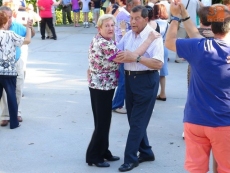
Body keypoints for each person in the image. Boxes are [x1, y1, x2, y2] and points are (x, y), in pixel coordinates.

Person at [86, 13, 161, 168]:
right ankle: (93, 155)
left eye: (112, 25)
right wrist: (148, 40)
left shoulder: (106, 40)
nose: (110, 28)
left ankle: (106, 151)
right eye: (106, 25)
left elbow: (129, 55)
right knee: (102, 122)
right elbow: (126, 57)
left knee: (107, 121)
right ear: (99, 27)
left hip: (105, 85)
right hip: (102, 86)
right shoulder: (105, 44)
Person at [165, 2, 230, 173]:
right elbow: (194, 33)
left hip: (195, 121)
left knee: (196, 170)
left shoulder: (200, 47)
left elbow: (171, 41)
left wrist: (176, 17)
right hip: (223, 123)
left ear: (210, 25)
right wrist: (184, 14)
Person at [113, 5, 164, 172]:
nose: (132, 22)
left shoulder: (154, 37)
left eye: (136, 19)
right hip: (129, 80)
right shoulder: (128, 35)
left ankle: (130, 158)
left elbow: (158, 63)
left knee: (137, 122)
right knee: (134, 120)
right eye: (131, 19)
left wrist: (136, 57)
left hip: (146, 81)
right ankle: (146, 152)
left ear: (146, 19)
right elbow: (118, 53)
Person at [0, 5, 35, 127]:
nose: (9, 20)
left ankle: (14, 114)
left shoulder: (16, 27)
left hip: (15, 64)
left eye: (10, 17)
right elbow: (27, 40)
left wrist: (29, 27)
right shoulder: (10, 34)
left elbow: (29, 35)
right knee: (11, 94)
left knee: (17, 90)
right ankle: (9, 118)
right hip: (9, 70)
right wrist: (29, 29)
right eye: (6, 17)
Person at [112, 0, 141, 114]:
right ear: (130, 5)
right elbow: (124, 36)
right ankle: (117, 104)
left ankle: (118, 103)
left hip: (125, 52)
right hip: (124, 53)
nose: (139, 7)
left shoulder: (124, 15)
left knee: (124, 80)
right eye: (136, 5)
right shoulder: (124, 16)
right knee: (123, 81)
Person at [152, 3, 169, 101]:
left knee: (154, 71)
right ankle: (163, 92)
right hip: (164, 46)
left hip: (156, 46)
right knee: (163, 72)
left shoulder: (153, 23)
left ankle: (153, 92)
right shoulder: (167, 23)